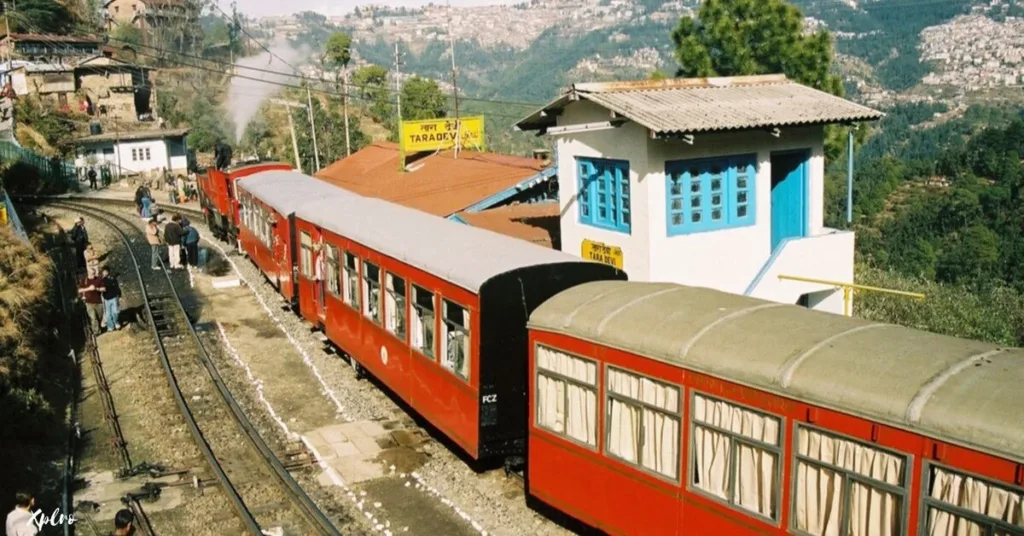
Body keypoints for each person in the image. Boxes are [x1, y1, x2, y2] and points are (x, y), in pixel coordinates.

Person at [78, 269, 105, 334]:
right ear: (88, 273)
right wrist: (89, 288)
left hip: (98, 302)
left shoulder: (98, 279)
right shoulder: (84, 281)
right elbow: (80, 290)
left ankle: (99, 328)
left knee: (99, 317)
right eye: (92, 273)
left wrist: (96, 288)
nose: (93, 275)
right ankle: (96, 332)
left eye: (94, 273)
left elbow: (104, 289)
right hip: (89, 302)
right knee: (93, 318)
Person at [101, 267, 122, 331]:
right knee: (108, 314)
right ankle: (110, 326)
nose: (105, 273)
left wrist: (120, 296)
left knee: (115, 312)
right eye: (103, 272)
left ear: (108, 272)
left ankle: (116, 323)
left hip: (114, 297)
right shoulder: (102, 280)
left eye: (106, 271)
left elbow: (117, 287)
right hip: (107, 299)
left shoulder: (113, 279)